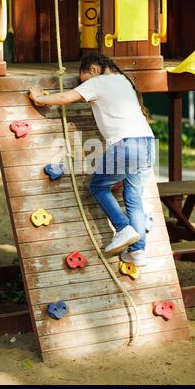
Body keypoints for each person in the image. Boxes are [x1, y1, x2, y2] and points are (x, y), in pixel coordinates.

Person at [29, 52, 155, 267]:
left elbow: (64, 98)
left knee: (98, 187)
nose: (85, 86)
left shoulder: (99, 82)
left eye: (85, 80)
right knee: (134, 199)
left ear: (94, 70)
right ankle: (137, 252)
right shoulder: (124, 80)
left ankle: (123, 228)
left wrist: (39, 98)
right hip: (148, 144)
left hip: (125, 145)